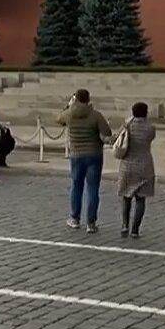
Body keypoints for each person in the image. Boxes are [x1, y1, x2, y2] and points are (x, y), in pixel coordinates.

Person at [58, 89, 113, 233]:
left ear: (75, 99)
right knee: (93, 189)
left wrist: (68, 105)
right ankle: (91, 222)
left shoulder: (69, 114)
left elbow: (59, 119)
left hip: (76, 155)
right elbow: (107, 132)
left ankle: (75, 218)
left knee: (76, 186)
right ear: (89, 99)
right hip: (94, 154)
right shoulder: (96, 115)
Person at [115, 102, 156, 239]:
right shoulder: (150, 128)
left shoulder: (128, 126)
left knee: (126, 197)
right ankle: (135, 229)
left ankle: (124, 224)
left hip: (128, 165)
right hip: (144, 165)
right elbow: (150, 138)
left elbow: (118, 136)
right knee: (140, 199)